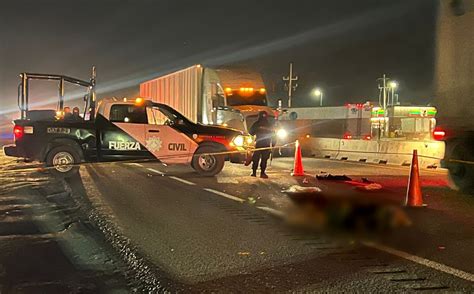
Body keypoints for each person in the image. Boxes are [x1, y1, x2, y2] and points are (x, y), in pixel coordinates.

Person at [249, 111, 274, 178]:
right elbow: (274, 136)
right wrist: (273, 145)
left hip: (259, 143)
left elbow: (251, 132)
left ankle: (254, 173)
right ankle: (262, 173)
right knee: (263, 159)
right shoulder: (269, 125)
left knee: (257, 158)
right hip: (265, 144)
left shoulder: (256, 124)